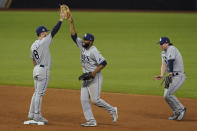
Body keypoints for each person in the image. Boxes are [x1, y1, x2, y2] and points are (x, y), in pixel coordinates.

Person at [67, 11, 118, 127]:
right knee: (84, 99)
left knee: (95, 100)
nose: (83, 41)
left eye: (86, 40)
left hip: (95, 77)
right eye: (83, 40)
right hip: (86, 77)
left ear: (91, 42)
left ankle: (112, 110)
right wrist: (71, 22)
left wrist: (94, 73)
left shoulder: (94, 50)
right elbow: (73, 35)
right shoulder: (82, 46)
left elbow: (104, 63)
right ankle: (91, 121)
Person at [24, 10, 65, 125]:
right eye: (45, 32)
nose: (47, 33)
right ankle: (37, 116)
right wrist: (61, 19)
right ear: (42, 34)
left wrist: (37, 67)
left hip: (36, 69)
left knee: (36, 92)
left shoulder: (33, 45)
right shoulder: (44, 42)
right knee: (40, 93)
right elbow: (55, 31)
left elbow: (32, 59)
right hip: (43, 70)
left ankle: (31, 114)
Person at [154, 37, 186, 120]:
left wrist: (171, 73)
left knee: (169, 94)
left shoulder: (171, 48)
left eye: (162, 44)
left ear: (167, 43)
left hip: (178, 75)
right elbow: (164, 64)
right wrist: (161, 75)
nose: (160, 45)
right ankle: (176, 112)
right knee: (165, 96)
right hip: (170, 76)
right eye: (160, 44)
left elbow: (171, 61)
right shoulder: (163, 52)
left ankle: (181, 109)